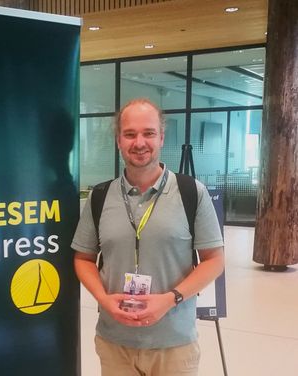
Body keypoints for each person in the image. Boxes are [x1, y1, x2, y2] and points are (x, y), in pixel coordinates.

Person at [72, 98, 224, 376]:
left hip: (174, 344)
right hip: (114, 342)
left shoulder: (192, 192)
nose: (139, 142)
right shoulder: (100, 197)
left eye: (148, 133)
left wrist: (171, 298)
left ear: (162, 138)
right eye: (130, 134)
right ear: (118, 140)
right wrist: (103, 299)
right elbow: (83, 258)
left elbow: (214, 261)